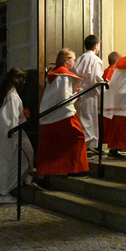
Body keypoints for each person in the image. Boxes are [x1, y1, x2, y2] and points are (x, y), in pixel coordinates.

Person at [35, 48, 89, 188]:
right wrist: (77, 96)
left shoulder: (54, 73)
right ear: (66, 60)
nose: (74, 61)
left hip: (49, 114)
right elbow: (63, 98)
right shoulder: (63, 75)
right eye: (73, 59)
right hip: (63, 114)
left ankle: (49, 174)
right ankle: (76, 169)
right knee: (78, 137)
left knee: (53, 146)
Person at [0, 67, 34, 204]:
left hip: (2, 130)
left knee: (8, 161)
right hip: (9, 132)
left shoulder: (6, 93)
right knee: (12, 160)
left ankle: (17, 183)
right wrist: (13, 137)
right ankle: (5, 192)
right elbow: (11, 118)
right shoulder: (12, 96)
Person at [72, 35, 104, 157]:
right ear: (96, 45)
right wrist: (103, 86)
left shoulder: (80, 58)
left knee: (82, 119)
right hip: (89, 93)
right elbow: (96, 79)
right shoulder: (95, 60)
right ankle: (87, 146)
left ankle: (84, 145)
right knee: (88, 119)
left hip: (79, 92)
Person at [102, 51, 126, 159]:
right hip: (112, 104)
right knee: (114, 128)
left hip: (107, 104)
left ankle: (115, 148)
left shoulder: (107, 70)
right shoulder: (113, 71)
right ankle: (113, 149)